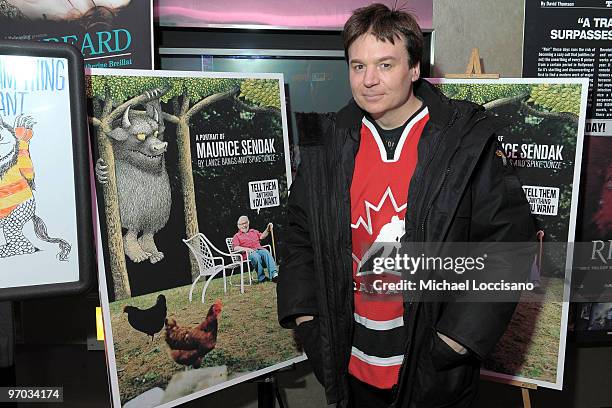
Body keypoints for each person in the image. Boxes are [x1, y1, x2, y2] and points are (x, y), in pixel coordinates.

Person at [277, 4, 535, 408]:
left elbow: (509, 242)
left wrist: (457, 340)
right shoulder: (327, 141)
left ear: (414, 68)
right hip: (349, 360)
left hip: (432, 368)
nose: (369, 80)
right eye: (358, 66)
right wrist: (306, 317)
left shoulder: (466, 141)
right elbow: (298, 231)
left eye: (385, 64)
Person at [232, 215, 278, 283]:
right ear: (238, 225)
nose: (244, 225)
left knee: (266, 252)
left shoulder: (253, 231)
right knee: (256, 256)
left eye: (245, 223)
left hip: (259, 249)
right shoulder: (237, 236)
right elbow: (235, 248)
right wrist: (247, 249)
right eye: (242, 224)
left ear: (248, 222)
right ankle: (262, 278)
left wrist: (267, 229)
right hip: (249, 254)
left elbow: (262, 236)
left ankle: (274, 275)